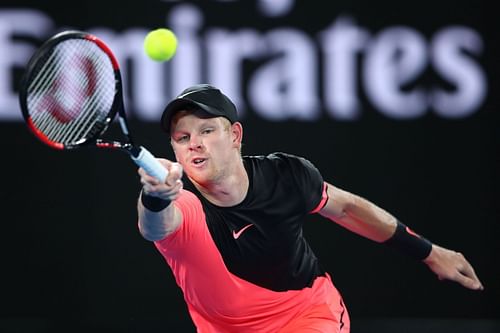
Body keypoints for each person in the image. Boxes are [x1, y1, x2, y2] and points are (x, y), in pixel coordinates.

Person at [136, 84, 483, 333]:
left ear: (236, 135)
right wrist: (155, 196)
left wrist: (428, 251)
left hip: (309, 316)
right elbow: (155, 227)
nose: (194, 142)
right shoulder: (182, 203)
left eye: (207, 130)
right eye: (182, 138)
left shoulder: (288, 175)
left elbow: (347, 209)